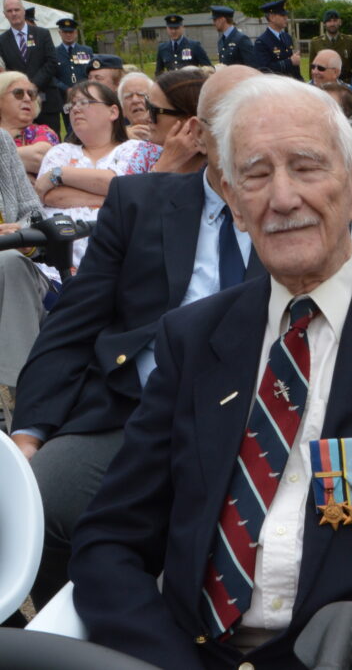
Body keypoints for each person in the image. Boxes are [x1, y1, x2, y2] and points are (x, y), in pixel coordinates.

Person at [68, 73, 352, 670]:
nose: (281, 198)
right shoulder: (192, 339)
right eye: (255, 174)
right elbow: (110, 541)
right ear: (231, 196)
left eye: (306, 167)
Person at [13, 66, 267, 609]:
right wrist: (30, 431)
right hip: (132, 408)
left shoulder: (291, 210)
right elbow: (73, 323)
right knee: (34, 502)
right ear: (201, 132)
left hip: (256, 418)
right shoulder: (141, 202)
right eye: (238, 125)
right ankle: (75, 634)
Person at [33, 81, 143, 274]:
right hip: (58, 270)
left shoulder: (134, 149)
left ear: (113, 112)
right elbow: (51, 197)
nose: (75, 109)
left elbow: (119, 184)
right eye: (71, 105)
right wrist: (110, 199)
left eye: (85, 103)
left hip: (121, 266)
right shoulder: (61, 152)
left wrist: (60, 173)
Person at [0, 129, 46, 400]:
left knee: (11, 263)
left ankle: (25, 402)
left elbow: (34, 214)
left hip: (12, 263)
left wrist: (22, 236)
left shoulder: (2, 141)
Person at [124, 67, 207, 175]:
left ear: (189, 121)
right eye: (148, 106)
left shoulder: (218, 167)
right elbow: (129, 191)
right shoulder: (145, 156)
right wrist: (163, 166)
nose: (146, 118)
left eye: (154, 111)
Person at [0, 0, 59, 134]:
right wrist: (22, 90)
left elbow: (52, 62)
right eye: (9, 11)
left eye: (16, 9)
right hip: (18, 105)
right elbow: (6, 71)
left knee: (52, 145)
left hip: (46, 101)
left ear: (23, 11)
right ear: (5, 15)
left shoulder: (42, 34)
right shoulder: (2, 41)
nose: (14, 13)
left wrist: (32, 86)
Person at [0, 71, 59, 177]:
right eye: (18, 93)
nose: (27, 99)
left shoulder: (42, 131)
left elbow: (39, 158)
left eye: (31, 94)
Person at [54, 17, 93, 136]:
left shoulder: (86, 51)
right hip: (65, 97)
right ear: (60, 33)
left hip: (85, 95)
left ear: (76, 33)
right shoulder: (54, 52)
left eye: (71, 32)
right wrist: (66, 89)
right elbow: (51, 77)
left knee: (89, 124)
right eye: (65, 32)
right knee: (70, 127)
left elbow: (91, 73)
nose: (68, 35)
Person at [254, 0, 303, 81]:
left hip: (290, 85)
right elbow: (264, 70)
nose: (286, 18)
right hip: (274, 87)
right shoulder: (261, 42)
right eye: (282, 15)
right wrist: (290, 62)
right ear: (272, 17)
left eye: (286, 15)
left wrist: (301, 81)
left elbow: (294, 67)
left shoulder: (287, 37)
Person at [309, 9, 352, 84]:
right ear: (324, 24)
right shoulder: (316, 42)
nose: (332, 24)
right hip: (323, 84)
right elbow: (312, 68)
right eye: (329, 21)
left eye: (335, 21)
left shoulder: (350, 41)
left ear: (340, 22)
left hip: (344, 85)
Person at [117, 72, 154, 142]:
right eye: (128, 96)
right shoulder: (116, 140)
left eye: (141, 94)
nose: (135, 100)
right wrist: (122, 137)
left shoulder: (166, 134)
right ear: (122, 109)